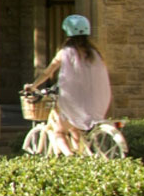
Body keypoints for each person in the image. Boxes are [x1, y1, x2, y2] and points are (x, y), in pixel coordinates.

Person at [24, 14, 112, 156]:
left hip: (74, 102)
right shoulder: (95, 53)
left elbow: (47, 72)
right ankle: (79, 154)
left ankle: (71, 157)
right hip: (96, 102)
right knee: (74, 127)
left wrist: (33, 86)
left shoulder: (65, 52)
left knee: (59, 130)